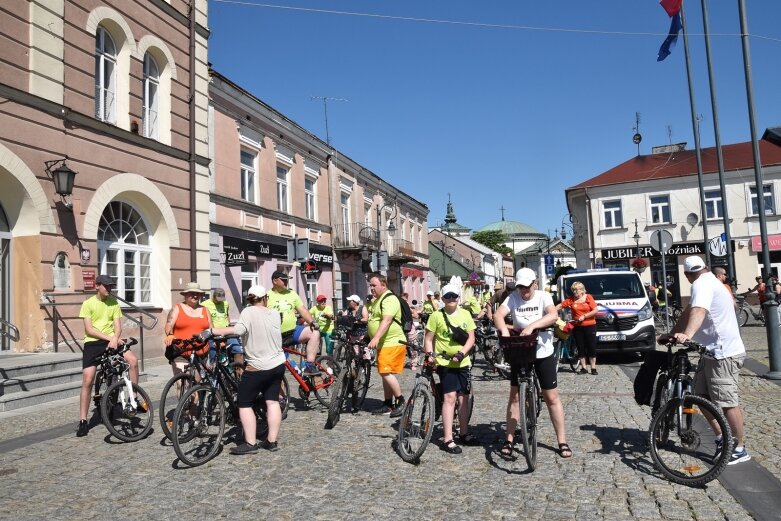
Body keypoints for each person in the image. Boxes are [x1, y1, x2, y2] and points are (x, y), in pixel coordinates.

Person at [660, 256, 750, 465]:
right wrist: (673, 333)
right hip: (711, 352)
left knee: (727, 403)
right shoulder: (709, 280)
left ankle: (739, 447)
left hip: (723, 353)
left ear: (687, 275)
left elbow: (700, 311)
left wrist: (687, 335)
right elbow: (689, 312)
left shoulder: (702, 284)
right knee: (700, 395)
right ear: (706, 267)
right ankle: (722, 438)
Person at [493, 267, 572, 459]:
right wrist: (503, 330)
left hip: (543, 350)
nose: (524, 291)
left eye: (527, 287)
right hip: (521, 350)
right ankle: (509, 440)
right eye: (520, 287)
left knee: (551, 396)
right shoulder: (512, 298)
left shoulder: (543, 296)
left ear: (534, 283)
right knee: (514, 396)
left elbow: (552, 315)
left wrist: (532, 325)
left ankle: (562, 441)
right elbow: (498, 315)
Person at [206, 285, 285, 454]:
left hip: (258, 366)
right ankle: (271, 441)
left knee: (244, 403)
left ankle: (250, 444)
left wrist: (212, 331)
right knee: (272, 401)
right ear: (265, 298)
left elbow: (239, 330)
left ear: (249, 299)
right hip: (278, 363)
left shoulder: (248, 312)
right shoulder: (274, 313)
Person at [76, 274, 139, 437]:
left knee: (132, 360)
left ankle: (134, 398)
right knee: (88, 379)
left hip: (112, 339)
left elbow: (118, 327)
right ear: (97, 286)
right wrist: (110, 338)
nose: (109, 289)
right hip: (93, 342)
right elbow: (89, 330)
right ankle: (83, 420)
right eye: (106, 286)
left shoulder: (114, 303)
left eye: (111, 286)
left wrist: (115, 338)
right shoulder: (88, 304)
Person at [424, 283, 478, 454]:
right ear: (443, 298)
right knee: (450, 398)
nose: (451, 299)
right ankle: (448, 439)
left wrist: (462, 353)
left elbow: (471, 338)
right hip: (445, 363)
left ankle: (464, 432)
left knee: (464, 398)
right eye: (448, 297)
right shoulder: (436, 316)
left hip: (463, 363)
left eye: (454, 296)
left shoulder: (465, 314)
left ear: (458, 297)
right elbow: (428, 339)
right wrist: (430, 355)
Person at [367, 272, 407, 417]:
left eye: (374, 285)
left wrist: (376, 337)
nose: (371, 288)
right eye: (370, 285)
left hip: (392, 342)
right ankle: (388, 403)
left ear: (383, 285)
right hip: (384, 343)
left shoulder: (389, 299)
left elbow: (387, 320)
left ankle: (401, 401)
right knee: (385, 373)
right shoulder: (377, 299)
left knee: (385, 372)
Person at [267, 271, 320, 376]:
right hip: (275, 336)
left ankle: (309, 365)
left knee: (315, 332)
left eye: (287, 279)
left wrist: (312, 321)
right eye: (283, 280)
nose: (286, 282)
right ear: (274, 281)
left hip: (292, 332)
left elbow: (303, 310)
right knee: (278, 371)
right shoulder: (266, 296)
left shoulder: (292, 294)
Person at [163, 282, 213, 376]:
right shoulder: (177, 308)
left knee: (197, 384)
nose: (195, 296)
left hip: (201, 351)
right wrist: (170, 335)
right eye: (192, 293)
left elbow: (211, 328)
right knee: (181, 383)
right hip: (180, 351)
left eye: (197, 293)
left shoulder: (205, 309)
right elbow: (169, 324)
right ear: (185, 295)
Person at [556, 281, 598, 375]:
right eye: (573, 290)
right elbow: (560, 305)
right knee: (580, 347)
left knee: (591, 347)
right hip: (578, 327)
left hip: (590, 326)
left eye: (576, 290)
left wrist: (585, 316)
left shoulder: (588, 297)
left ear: (582, 290)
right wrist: (551, 311)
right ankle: (583, 368)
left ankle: (593, 368)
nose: (575, 292)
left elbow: (595, 310)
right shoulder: (571, 299)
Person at [202, 287, 243, 368]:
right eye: (218, 299)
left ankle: (240, 374)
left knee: (238, 350)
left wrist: (229, 325)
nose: (220, 301)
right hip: (213, 332)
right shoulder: (205, 304)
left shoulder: (225, 303)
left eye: (221, 299)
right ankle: (212, 370)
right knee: (212, 350)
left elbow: (227, 315)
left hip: (226, 331)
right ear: (213, 296)